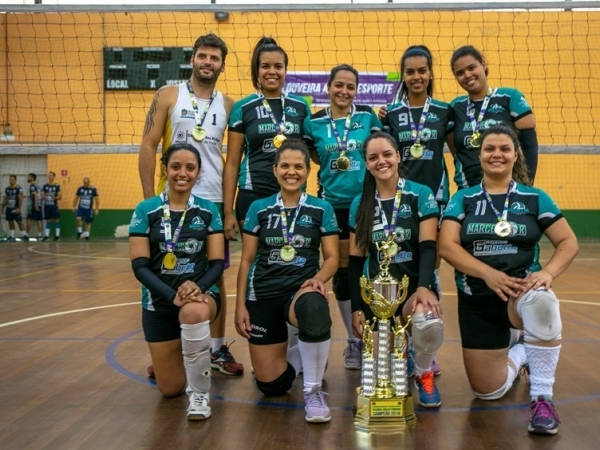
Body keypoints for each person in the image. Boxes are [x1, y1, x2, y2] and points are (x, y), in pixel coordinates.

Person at [439, 123, 578, 435]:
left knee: (543, 302)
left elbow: (568, 242)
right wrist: (488, 273)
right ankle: (523, 350)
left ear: (516, 155)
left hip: (520, 294)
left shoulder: (534, 197)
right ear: (480, 155)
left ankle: (542, 398)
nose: (496, 154)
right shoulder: (464, 198)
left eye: (504, 149)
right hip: (477, 300)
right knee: (488, 391)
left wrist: (547, 273)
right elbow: (447, 245)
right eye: (490, 149)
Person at [138, 33, 243, 377]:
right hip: (171, 199)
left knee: (215, 278)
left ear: (222, 65)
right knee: (163, 272)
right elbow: (148, 145)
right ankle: (167, 351)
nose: (207, 62)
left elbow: (231, 163)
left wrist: (228, 210)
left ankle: (216, 350)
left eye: (214, 58)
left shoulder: (229, 106)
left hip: (211, 200)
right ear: (192, 59)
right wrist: (147, 201)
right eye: (202, 56)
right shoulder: (169, 95)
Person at [234, 140, 339, 423]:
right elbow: (246, 260)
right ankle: (304, 353)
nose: (291, 172)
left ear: (307, 171)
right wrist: (240, 305)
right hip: (262, 295)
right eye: (285, 166)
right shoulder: (259, 207)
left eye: (298, 166)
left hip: (299, 292)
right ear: (274, 169)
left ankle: (313, 390)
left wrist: (316, 280)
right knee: (271, 386)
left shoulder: (321, 208)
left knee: (315, 308)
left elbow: (332, 258)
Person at [129, 143, 225, 421]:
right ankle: (192, 359)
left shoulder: (208, 210)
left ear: (198, 172)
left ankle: (199, 393)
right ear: (165, 169)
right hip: (159, 300)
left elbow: (218, 262)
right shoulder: (146, 210)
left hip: (200, 295)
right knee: (169, 389)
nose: (183, 173)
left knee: (193, 311)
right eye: (176, 167)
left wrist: (200, 286)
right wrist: (171, 295)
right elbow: (139, 265)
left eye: (190, 168)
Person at [348, 132, 444, 408]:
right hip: (376, 299)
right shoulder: (360, 203)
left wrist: (424, 287)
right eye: (373, 157)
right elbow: (355, 261)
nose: (381, 161)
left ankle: (424, 371)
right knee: (382, 378)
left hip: (413, 288)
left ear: (398, 156)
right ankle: (402, 355)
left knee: (428, 319)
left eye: (387, 154)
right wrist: (357, 306)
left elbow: (428, 247)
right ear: (366, 164)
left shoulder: (419, 194)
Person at [303, 63, 382, 370]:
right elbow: (315, 156)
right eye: (339, 85)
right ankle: (354, 340)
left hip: (365, 204)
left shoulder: (367, 116)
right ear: (329, 87)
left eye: (350, 87)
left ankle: (377, 336)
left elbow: (379, 148)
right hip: (331, 206)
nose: (344, 91)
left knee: (369, 267)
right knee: (342, 270)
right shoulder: (315, 122)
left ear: (356, 90)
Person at [381, 45, 452, 376]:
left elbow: (458, 152)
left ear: (430, 73)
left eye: (422, 70)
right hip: (400, 202)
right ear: (403, 75)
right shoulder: (392, 114)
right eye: (410, 72)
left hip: (435, 201)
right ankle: (400, 341)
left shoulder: (444, 111)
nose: (416, 76)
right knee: (397, 266)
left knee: (430, 266)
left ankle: (424, 343)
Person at [223, 37, 311, 242]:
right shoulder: (243, 108)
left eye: (278, 66)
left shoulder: (300, 106)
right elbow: (232, 163)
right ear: (257, 70)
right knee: (255, 260)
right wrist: (228, 212)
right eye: (265, 66)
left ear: (285, 70)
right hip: (253, 195)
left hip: (293, 193)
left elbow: (310, 153)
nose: (272, 71)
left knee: (291, 257)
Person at [448, 45, 538, 190]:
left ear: (483, 64)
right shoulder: (455, 107)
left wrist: (526, 186)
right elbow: (457, 151)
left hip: (507, 189)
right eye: (460, 73)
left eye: (471, 68)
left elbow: (529, 146)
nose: (467, 75)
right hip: (468, 191)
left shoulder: (510, 97)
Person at [2, 175, 27, 241]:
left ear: (15, 180)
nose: (11, 181)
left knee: (19, 222)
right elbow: (6, 198)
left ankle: (24, 235)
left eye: (12, 180)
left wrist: (18, 208)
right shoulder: (7, 189)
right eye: (10, 180)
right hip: (9, 208)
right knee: (10, 222)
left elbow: (20, 199)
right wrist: (2, 207)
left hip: (15, 208)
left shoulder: (18, 188)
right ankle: (12, 236)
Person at [42, 171, 62, 241]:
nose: (50, 177)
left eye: (51, 175)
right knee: (48, 220)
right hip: (47, 206)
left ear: (54, 177)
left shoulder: (57, 186)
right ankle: (47, 236)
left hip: (54, 206)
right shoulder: (45, 186)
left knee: (56, 220)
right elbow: (42, 195)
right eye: (49, 175)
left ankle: (57, 236)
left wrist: (53, 196)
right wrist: (43, 197)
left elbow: (60, 197)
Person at [26, 173, 43, 240]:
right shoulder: (38, 186)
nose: (27, 178)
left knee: (29, 219)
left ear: (32, 178)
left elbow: (35, 195)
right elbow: (42, 196)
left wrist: (35, 205)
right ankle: (40, 235)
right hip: (39, 204)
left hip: (33, 204)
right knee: (38, 220)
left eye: (29, 177)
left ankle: (27, 235)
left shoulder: (32, 186)